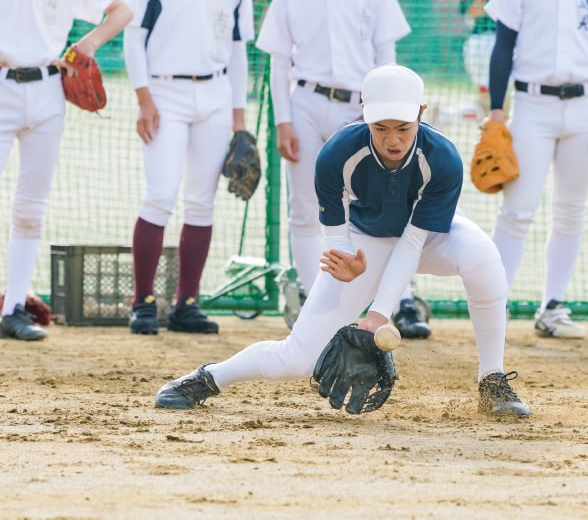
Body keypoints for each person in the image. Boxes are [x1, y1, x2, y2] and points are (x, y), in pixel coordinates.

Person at [155, 64, 531, 417]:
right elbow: (337, 236)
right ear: (363, 111)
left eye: (403, 126)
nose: (393, 139)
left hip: (430, 237)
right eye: (380, 127)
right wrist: (346, 260)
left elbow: (413, 244)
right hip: (365, 245)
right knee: (297, 359)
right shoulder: (337, 154)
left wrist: (377, 317)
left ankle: (492, 381)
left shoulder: (443, 157)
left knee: (483, 256)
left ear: (422, 112)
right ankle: (208, 377)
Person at [254, 0, 431, 339]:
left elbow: (387, 59)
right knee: (304, 206)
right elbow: (279, 61)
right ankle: (312, 302)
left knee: (387, 201)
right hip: (305, 101)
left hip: (362, 107)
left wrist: (385, 109)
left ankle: (401, 302)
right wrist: (282, 121)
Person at [483, 0, 588, 339]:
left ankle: (553, 307)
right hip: (531, 105)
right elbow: (503, 45)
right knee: (517, 210)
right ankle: (494, 303)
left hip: (587, 106)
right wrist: (496, 111)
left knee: (571, 209)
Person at [0, 0, 132, 341]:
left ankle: (13, 307)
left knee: (31, 208)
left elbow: (121, 11)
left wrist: (86, 45)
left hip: (47, 89)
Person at [122, 0, 254, 335]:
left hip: (216, 94)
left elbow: (238, 51)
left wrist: (238, 120)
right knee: (160, 195)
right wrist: (144, 100)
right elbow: (133, 38)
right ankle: (143, 303)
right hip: (164, 92)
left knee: (201, 202)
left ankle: (187, 305)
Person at [459, 0, 497, 120]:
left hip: (494, 44)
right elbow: (470, 12)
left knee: (491, 106)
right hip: (483, 45)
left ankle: (446, 116)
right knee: (491, 105)